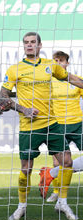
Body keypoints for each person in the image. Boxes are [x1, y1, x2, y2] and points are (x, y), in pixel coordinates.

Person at [0, 32, 83, 220]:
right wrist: (22, 109)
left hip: (52, 125)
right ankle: (21, 206)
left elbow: (71, 78)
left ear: (39, 45)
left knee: (67, 163)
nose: (29, 45)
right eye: (26, 43)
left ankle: (62, 201)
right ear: (23, 46)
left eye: (33, 42)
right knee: (26, 169)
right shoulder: (15, 69)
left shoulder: (50, 65)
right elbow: (3, 96)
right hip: (29, 127)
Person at [39, 51, 83, 202]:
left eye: (61, 60)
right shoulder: (48, 82)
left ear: (67, 63)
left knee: (66, 163)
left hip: (77, 125)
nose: (58, 63)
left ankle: (51, 175)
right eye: (55, 60)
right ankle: (57, 193)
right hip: (57, 125)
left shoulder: (76, 81)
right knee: (58, 161)